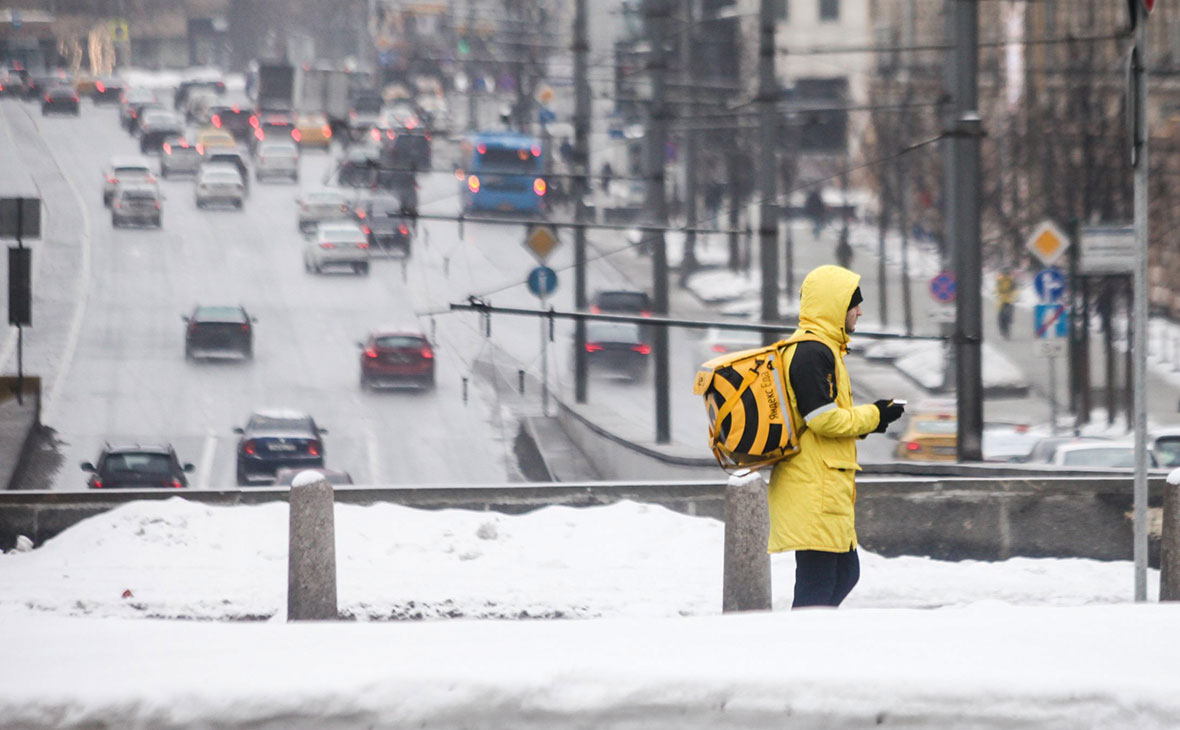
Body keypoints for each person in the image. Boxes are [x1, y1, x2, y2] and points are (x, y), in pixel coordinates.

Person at [767, 265, 906, 609]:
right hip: (813, 486)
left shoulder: (823, 349)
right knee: (818, 587)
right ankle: (801, 651)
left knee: (844, 574)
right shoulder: (811, 352)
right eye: (853, 303)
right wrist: (875, 414)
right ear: (833, 305)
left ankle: (810, 646)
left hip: (825, 485)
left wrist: (874, 417)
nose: (859, 310)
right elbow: (822, 420)